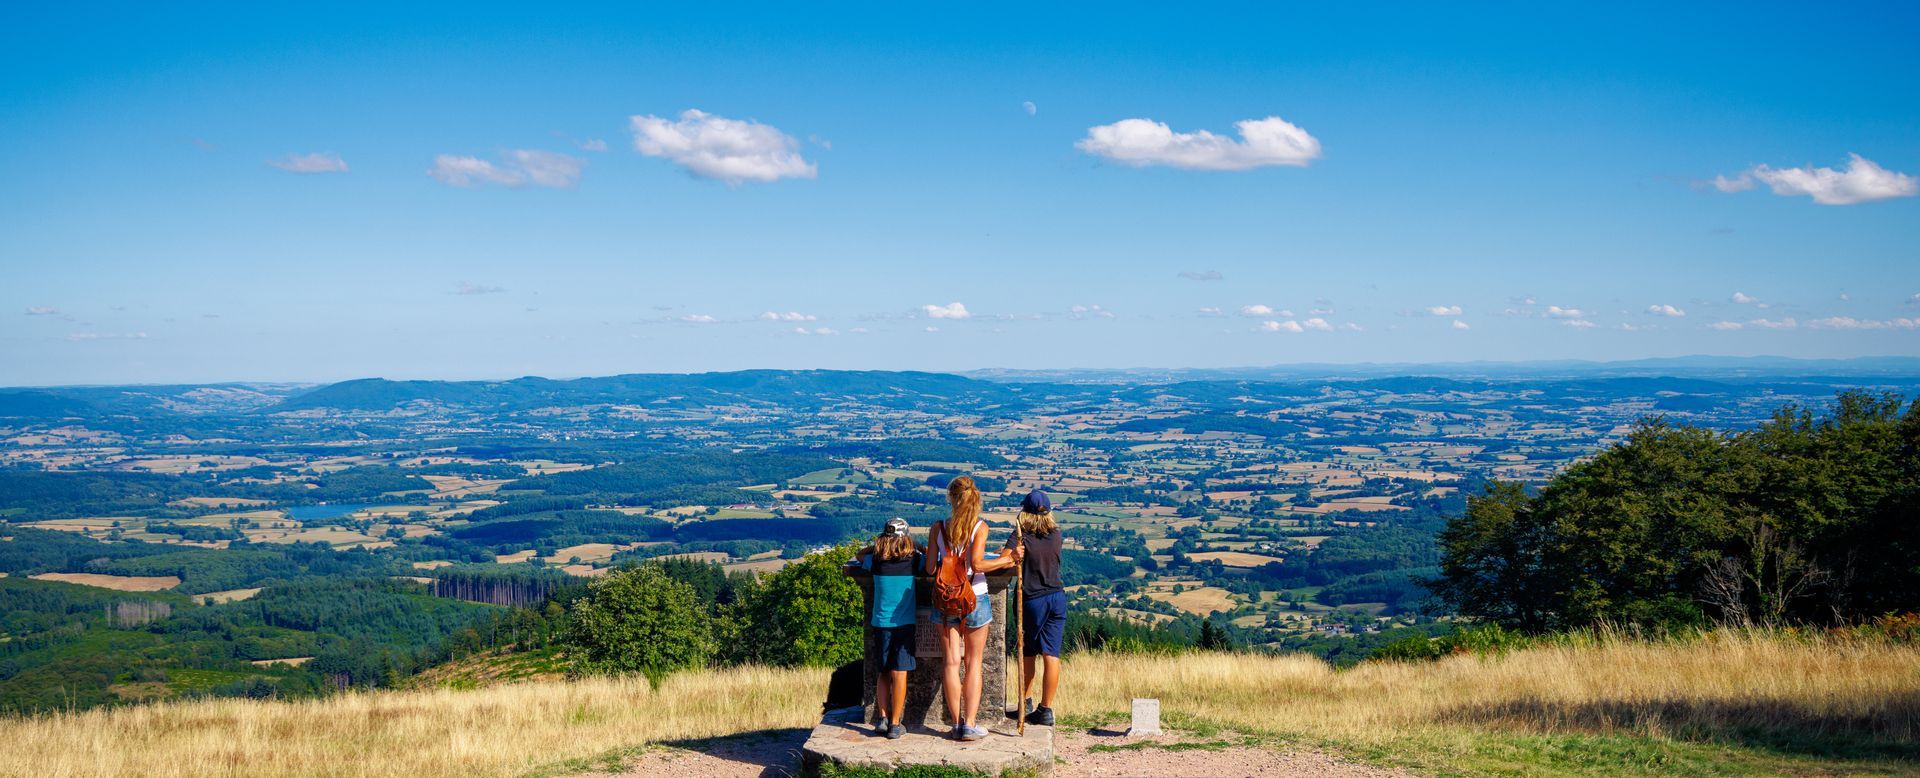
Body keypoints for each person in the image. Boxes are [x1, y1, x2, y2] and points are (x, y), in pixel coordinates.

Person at [926, 475, 1021, 741]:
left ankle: (955, 724)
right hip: (975, 597)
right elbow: (978, 565)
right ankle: (969, 724)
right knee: (974, 663)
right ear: (974, 498)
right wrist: (1007, 558)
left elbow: (930, 568)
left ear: (951, 498)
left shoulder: (938, 528)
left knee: (951, 663)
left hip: (945, 600)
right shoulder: (980, 528)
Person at [855, 517, 921, 740]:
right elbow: (932, 559)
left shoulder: (875, 561)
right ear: (906, 539)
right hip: (904, 624)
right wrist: (917, 545)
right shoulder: (913, 561)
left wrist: (878, 545)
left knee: (883, 671)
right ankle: (895, 723)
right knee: (899, 672)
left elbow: (858, 554)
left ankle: (882, 718)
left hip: (881, 623)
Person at [1006, 490, 1065, 726]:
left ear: (1025, 512)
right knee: (1052, 654)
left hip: (1031, 600)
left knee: (1027, 652)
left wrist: (1015, 553)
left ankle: (1026, 701)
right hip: (1057, 597)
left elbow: (1005, 560)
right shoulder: (1056, 535)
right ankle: (1046, 709)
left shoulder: (1021, 537)